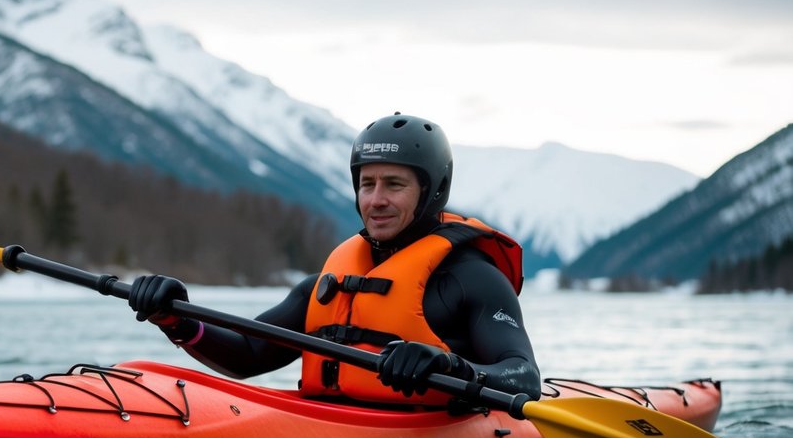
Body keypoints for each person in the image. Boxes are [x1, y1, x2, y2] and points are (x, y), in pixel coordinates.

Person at [128, 113, 542, 406]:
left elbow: (524, 377)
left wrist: (453, 367)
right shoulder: (324, 286)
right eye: (367, 184)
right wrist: (177, 319)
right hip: (336, 429)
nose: (376, 200)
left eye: (394, 185)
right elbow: (250, 354)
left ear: (433, 191)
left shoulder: (474, 280)